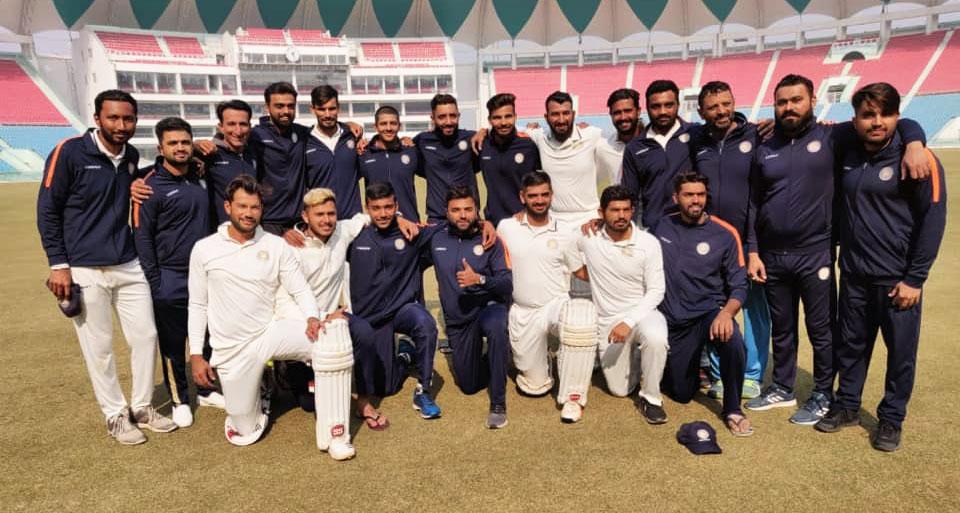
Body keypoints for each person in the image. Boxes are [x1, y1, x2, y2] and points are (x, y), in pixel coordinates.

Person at [745, 74, 929, 426]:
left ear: (812, 101)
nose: (788, 107)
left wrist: (915, 142)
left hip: (816, 252)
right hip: (773, 255)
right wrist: (753, 250)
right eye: (782, 101)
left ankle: (821, 393)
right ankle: (782, 386)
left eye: (796, 100)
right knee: (782, 327)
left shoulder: (833, 135)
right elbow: (755, 201)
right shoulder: (765, 143)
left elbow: (892, 118)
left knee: (822, 329)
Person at [37, 89, 177, 445]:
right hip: (84, 267)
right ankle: (115, 414)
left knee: (146, 337)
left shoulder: (130, 156)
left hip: (128, 263)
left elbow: (126, 188)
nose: (121, 125)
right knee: (99, 348)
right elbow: (48, 211)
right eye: (113, 118)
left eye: (128, 118)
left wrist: (133, 186)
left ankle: (142, 407)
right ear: (97, 118)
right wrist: (59, 266)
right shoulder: (68, 152)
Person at [816, 82, 946, 452]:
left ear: (897, 116)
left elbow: (932, 222)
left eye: (885, 114)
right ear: (855, 118)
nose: (877, 122)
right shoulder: (848, 149)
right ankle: (847, 407)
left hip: (897, 282)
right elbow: (814, 128)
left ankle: (891, 419)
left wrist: (914, 278)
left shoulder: (919, 160)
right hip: (855, 274)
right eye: (868, 114)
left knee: (900, 355)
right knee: (851, 347)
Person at [187, 175, 328, 449]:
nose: (248, 214)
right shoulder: (204, 249)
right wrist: (195, 355)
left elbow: (299, 289)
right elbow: (198, 305)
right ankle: (262, 384)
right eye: (242, 206)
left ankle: (328, 417)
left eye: (254, 207)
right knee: (244, 431)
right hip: (231, 349)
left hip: (269, 333)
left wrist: (312, 317)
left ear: (261, 209)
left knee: (329, 341)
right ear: (228, 207)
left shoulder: (275, 245)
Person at [132, 117, 220, 428]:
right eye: (173, 143)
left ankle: (207, 390)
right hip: (170, 276)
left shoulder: (198, 175)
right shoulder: (148, 186)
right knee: (174, 343)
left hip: (205, 274)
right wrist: (156, 283)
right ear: (160, 148)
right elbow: (142, 238)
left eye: (185, 142)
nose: (180, 148)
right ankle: (181, 398)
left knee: (209, 336)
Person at [653, 171, 752, 436]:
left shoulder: (725, 233)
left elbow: (740, 285)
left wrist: (726, 314)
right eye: (688, 195)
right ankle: (690, 368)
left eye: (700, 194)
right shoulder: (662, 225)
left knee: (733, 342)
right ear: (676, 197)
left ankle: (733, 408)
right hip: (674, 318)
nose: (695, 200)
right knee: (682, 394)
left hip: (709, 314)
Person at [689, 81, 768, 401]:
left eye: (726, 103)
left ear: (734, 102)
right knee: (716, 306)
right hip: (713, 241)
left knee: (754, 310)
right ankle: (721, 373)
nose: (721, 111)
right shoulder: (698, 141)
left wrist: (754, 247)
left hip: (751, 240)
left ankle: (752, 373)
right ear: (701, 111)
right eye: (713, 107)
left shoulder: (756, 135)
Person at [497, 171, 597, 423]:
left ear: (552, 195)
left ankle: (573, 398)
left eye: (544, 194)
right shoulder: (506, 227)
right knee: (534, 388)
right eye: (533, 196)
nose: (539, 200)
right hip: (523, 311)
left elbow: (580, 271)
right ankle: (545, 364)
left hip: (556, 304)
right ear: (522, 197)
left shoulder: (565, 231)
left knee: (580, 322)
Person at [573, 185, 669, 424]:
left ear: (632, 210)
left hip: (643, 313)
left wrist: (628, 321)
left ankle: (651, 398)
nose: (621, 215)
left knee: (655, 336)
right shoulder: (588, 237)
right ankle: (642, 361)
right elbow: (558, 243)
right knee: (619, 390)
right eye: (614, 210)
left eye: (626, 209)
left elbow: (657, 290)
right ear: (601, 212)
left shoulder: (649, 242)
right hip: (607, 322)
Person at [348, 182, 442, 424]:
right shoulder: (354, 235)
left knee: (425, 323)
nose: (383, 213)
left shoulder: (411, 232)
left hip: (402, 310)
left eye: (389, 207)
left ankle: (423, 391)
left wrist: (484, 223)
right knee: (386, 388)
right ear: (366, 209)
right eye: (376, 208)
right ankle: (405, 356)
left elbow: (447, 224)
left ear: (396, 206)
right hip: (370, 319)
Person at [424, 186, 513, 428]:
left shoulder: (490, 239)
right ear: (446, 212)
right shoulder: (436, 237)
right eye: (456, 210)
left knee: (496, 327)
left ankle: (498, 403)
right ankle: (494, 356)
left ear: (476, 210)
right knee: (469, 386)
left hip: (488, 308)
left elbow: (507, 283)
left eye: (468, 209)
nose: (462, 215)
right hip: (458, 319)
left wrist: (480, 279)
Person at [620, 80, 695, 228]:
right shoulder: (634, 147)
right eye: (656, 106)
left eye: (669, 105)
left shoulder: (696, 133)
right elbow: (630, 197)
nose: (662, 111)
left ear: (678, 105)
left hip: (692, 226)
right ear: (646, 108)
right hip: (656, 228)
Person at [478, 93, 541, 226]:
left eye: (508, 116)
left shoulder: (528, 145)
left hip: (522, 220)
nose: (503, 122)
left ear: (515, 117)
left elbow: (538, 184)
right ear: (489, 120)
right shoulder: (482, 144)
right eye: (497, 117)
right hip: (493, 222)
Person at [414, 94, 479, 222]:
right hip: (437, 218)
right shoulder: (422, 141)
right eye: (442, 117)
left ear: (458, 116)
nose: (448, 122)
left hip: (468, 218)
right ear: (432, 118)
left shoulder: (472, 139)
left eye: (453, 116)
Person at [304, 85, 362, 219]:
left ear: (338, 108)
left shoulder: (352, 135)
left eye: (332, 108)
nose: (327, 114)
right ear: (312, 109)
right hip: (321, 221)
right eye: (321, 109)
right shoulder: (304, 141)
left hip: (353, 221)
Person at [357, 106, 421, 222]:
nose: (388, 128)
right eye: (383, 124)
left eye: (393, 123)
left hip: (409, 222)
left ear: (399, 126)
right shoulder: (364, 154)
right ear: (375, 127)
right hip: (379, 223)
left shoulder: (411, 151)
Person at [596, 88, 644, 187]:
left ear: (638, 111)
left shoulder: (653, 144)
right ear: (611, 115)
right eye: (617, 112)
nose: (623, 117)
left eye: (628, 111)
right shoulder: (603, 148)